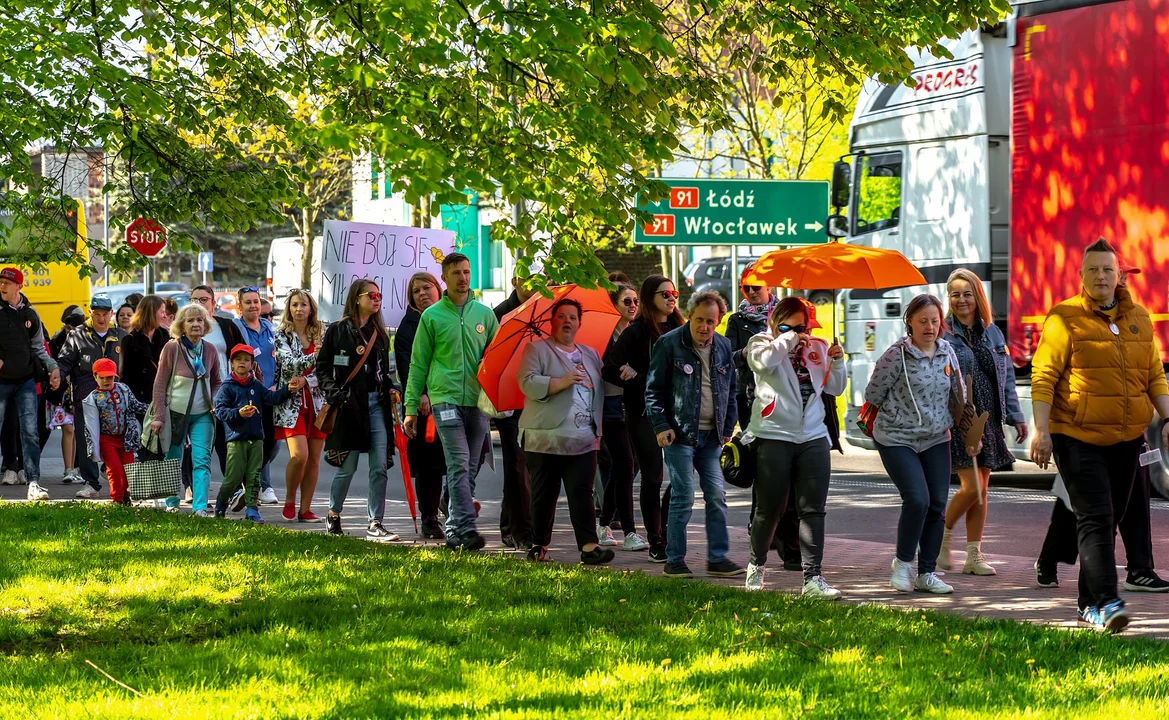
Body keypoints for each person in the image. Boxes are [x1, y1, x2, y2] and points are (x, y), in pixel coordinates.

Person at [1030, 238, 1169, 633]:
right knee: (1095, 517)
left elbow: (1154, 375)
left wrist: (1168, 419)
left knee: (1110, 521)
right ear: (1082, 277)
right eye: (1093, 270)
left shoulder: (1138, 318)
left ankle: (1086, 606)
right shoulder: (1063, 319)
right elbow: (1043, 378)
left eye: (1108, 269)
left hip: (1127, 439)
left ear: (1119, 275)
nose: (1101, 276)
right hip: (1077, 436)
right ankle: (1108, 603)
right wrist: (1041, 430)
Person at [865, 294, 971, 595]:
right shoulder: (896, 355)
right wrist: (901, 412)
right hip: (897, 438)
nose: (930, 326)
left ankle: (927, 573)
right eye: (923, 320)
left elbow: (958, 396)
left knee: (937, 505)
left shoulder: (947, 351)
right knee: (918, 500)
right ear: (909, 321)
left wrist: (971, 434)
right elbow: (873, 394)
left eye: (935, 321)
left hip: (937, 437)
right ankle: (902, 565)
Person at [744, 297, 847, 597]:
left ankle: (812, 579)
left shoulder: (816, 346)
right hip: (774, 435)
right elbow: (762, 363)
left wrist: (837, 361)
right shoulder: (761, 342)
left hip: (813, 436)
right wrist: (787, 337)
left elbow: (835, 388)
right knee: (769, 510)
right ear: (776, 322)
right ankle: (756, 567)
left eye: (802, 326)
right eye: (789, 325)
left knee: (813, 510)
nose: (798, 333)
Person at [404, 253, 499, 551]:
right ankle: (467, 528)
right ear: (444, 278)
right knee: (458, 463)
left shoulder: (484, 315)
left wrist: (498, 397)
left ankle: (455, 530)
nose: (463, 277)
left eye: (467, 272)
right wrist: (410, 409)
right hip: (444, 400)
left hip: (478, 402)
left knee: (470, 466)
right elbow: (418, 364)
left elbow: (496, 360)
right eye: (456, 272)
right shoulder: (431, 317)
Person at [645, 290, 741, 579]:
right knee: (683, 496)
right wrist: (661, 427)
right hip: (680, 435)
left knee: (716, 495)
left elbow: (731, 392)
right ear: (689, 316)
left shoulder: (723, 346)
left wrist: (727, 429)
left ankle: (717, 558)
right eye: (699, 320)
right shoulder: (670, 343)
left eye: (711, 321)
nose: (704, 327)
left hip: (712, 437)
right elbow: (653, 391)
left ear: (719, 320)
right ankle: (674, 559)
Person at [939, 269, 1028, 576]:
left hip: (989, 418)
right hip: (960, 419)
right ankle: (941, 537)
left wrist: (1016, 417)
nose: (962, 300)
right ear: (948, 299)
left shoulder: (992, 332)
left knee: (983, 489)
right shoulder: (943, 332)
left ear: (978, 296)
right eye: (955, 294)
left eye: (967, 293)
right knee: (972, 486)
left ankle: (973, 556)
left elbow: (1006, 380)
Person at [517, 298, 615, 565]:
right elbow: (526, 382)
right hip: (544, 438)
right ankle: (538, 544)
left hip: (583, 437)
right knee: (544, 494)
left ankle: (589, 548)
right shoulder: (536, 350)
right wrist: (560, 382)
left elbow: (603, 388)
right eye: (561, 316)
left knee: (581, 492)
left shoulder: (591, 354)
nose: (567, 321)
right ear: (552, 321)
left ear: (580, 323)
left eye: (572, 317)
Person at [602, 274, 684, 562]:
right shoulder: (636, 332)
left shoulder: (681, 329)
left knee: (682, 478)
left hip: (678, 414)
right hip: (642, 413)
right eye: (665, 294)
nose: (671, 298)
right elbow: (609, 368)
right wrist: (637, 381)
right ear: (653, 298)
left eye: (674, 293)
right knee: (653, 475)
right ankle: (656, 540)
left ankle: (669, 530)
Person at [317, 279, 402, 542]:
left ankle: (375, 522)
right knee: (347, 466)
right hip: (348, 407)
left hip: (376, 405)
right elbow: (322, 367)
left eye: (379, 295)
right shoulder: (338, 331)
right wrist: (335, 393)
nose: (377, 299)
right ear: (357, 298)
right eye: (372, 295)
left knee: (379, 467)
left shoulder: (380, 333)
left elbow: (385, 372)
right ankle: (333, 514)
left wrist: (392, 387)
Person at [214, 344, 300, 524]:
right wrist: (238, 413)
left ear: (252, 364)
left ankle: (252, 510)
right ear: (232, 364)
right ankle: (221, 502)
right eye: (238, 360)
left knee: (254, 476)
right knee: (233, 477)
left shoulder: (256, 385)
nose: (242, 363)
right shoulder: (227, 387)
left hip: (256, 439)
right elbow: (220, 411)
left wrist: (287, 389)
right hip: (236, 440)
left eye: (246, 360)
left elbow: (271, 398)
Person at [151, 303, 223, 515]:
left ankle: (199, 507)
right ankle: (172, 502)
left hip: (203, 415)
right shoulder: (172, 348)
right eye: (190, 320)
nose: (196, 324)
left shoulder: (209, 349)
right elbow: (160, 384)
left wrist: (215, 401)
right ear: (181, 325)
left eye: (199, 320)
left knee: (202, 460)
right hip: (176, 414)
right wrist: (159, 416)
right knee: (173, 459)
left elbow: (217, 381)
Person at [395, 272, 448, 539]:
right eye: (416, 291)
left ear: (438, 288)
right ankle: (429, 518)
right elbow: (408, 366)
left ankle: (448, 505)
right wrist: (420, 396)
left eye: (427, 288)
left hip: (457, 400)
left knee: (463, 460)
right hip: (427, 408)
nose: (423, 294)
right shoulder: (409, 327)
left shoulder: (450, 315)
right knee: (430, 465)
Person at [57, 294, 126, 499]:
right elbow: (64, 361)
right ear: (90, 313)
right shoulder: (77, 335)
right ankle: (91, 482)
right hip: (85, 397)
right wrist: (57, 375)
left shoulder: (121, 335)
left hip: (116, 401)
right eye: (97, 314)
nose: (101, 319)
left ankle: (120, 483)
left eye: (105, 314)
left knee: (116, 441)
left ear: (111, 314)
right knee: (86, 439)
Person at [0, 267, 60, 500]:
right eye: (1, 281)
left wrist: (53, 367)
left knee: (30, 432)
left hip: (25, 381)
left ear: (19, 286)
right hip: (2, 382)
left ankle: (33, 483)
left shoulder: (31, 314)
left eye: (7, 282)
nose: (3, 286)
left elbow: (38, 348)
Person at [596, 282, 648, 551]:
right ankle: (629, 532)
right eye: (626, 301)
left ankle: (603, 524)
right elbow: (604, 370)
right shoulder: (603, 337)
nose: (633, 306)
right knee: (625, 466)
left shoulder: (636, 335)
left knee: (622, 468)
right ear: (613, 306)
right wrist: (620, 370)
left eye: (636, 301)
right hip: (609, 408)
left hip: (632, 407)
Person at [492, 268, 537, 549]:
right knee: (517, 465)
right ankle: (521, 531)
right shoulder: (500, 314)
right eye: (529, 281)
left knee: (528, 466)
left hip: (535, 397)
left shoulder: (545, 310)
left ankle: (510, 524)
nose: (534, 287)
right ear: (515, 282)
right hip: (509, 399)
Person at [273, 289, 325, 522]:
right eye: (294, 305)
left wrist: (309, 379)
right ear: (289, 309)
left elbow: (328, 370)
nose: (299, 309)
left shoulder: (321, 333)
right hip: (291, 404)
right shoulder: (282, 334)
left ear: (311, 308)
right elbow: (289, 365)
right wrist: (316, 357)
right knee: (299, 456)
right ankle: (290, 498)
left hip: (317, 403)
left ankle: (306, 509)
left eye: (303, 304)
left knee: (314, 458)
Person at [189, 285, 244, 474]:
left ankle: (233, 489)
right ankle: (191, 487)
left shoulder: (226, 326)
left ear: (213, 303)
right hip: (195, 396)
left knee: (226, 443)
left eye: (203, 299)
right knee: (200, 446)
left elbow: (242, 354)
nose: (198, 303)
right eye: (194, 300)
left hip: (225, 392)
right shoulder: (185, 329)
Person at [233, 286, 280, 505]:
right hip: (249, 393)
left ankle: (257, 481)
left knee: (273, 442)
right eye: (248, 302)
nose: (253, 306)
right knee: (255, 440)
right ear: (239, 305)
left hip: (272, 392)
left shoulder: (270, 327)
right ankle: (259, 485)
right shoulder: (236, 328)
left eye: (255, 302)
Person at [81, 358, 148, 504]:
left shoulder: (123, 389)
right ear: (95, 377)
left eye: (110, 377)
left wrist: (154, 410)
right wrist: (93, 447)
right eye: (102, 377)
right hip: (107, 440)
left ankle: (125, 494)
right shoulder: (93, 398)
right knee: (115, 471)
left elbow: (135, 405)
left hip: (126, 438)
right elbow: (90, 425)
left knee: (129, 470)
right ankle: (117, 499)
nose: (106, 381)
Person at [49, 305, 86, 484]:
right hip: (64, 391)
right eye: (69, 326)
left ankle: (75, 467)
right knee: (68, 428)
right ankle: (68, 469)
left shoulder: (85, 338)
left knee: (77, 429)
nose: (71, 330)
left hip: (79, 389)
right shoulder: (58, 339)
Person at [119, 296, 171, 406]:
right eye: (162, 312)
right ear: (151, 312)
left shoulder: (165, 337)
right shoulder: (129, 340)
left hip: (162, 399)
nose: (164, 316)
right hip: (138, 402)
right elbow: (124, 377)